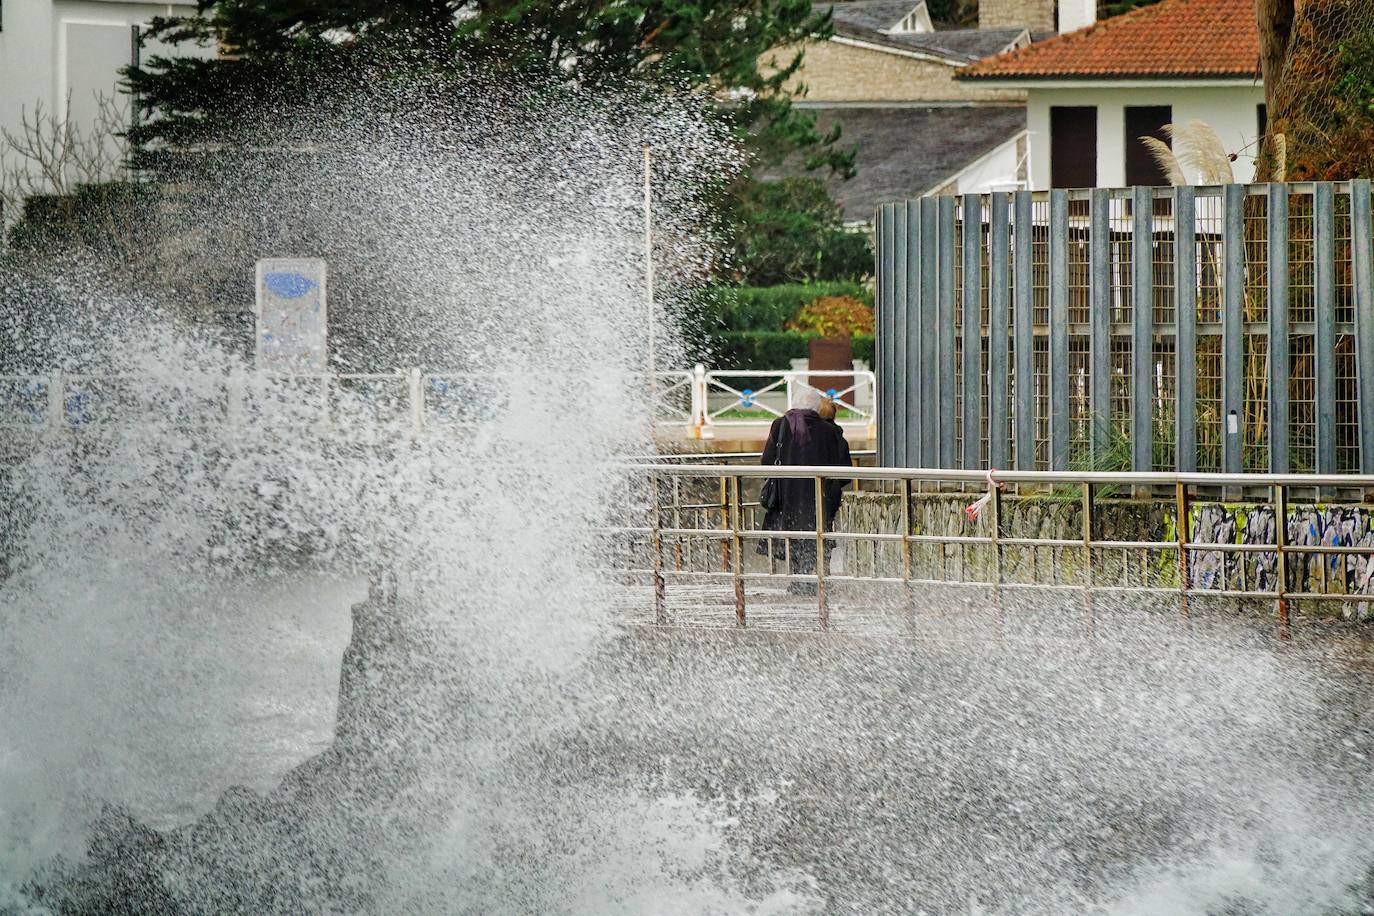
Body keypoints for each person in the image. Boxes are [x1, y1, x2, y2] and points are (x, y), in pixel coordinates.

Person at [758, 390, 852, 594]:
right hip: (821, 496)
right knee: (816, 533)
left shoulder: (780, 425)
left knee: (792, 532)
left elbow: (767, 461)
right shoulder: (830, 431)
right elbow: (844, 468)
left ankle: (798, 580)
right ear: (818, 409)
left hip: (786, 495)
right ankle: (815, 580)